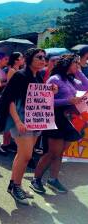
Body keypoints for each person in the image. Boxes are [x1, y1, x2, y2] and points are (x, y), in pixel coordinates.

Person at [0, 48, 52, 205]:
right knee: (26, 155)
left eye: (44, 57)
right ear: (29, 59)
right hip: (21, 121)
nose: (43, 60)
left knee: (22, 154)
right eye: (39, 57)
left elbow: (39, 97)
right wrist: (17, 121)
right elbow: (10, 100)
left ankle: (15, 185)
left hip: (35, 121)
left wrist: (51, 91)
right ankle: (16, 187)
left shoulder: (38, 77)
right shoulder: (20, 76)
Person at [30, 54, 88, 194]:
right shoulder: (54, 79)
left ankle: (53, 179)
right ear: (68, 64)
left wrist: (78, 70)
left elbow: (86, 85)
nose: (77, 65)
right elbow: (44, 101)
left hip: (67, 119)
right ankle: (36, 179)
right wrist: (68, 101)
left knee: (60, 152)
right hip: (55, 118)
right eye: (75, 63)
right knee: (52, 152)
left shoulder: (70, 79)